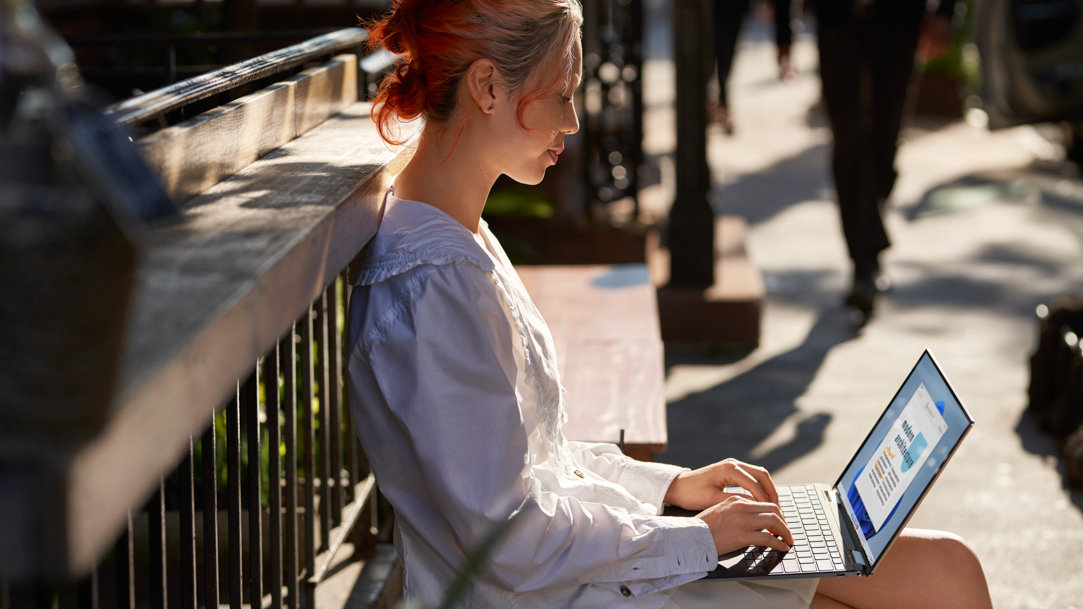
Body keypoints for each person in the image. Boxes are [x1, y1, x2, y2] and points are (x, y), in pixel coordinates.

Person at [346, 1, 994, 607]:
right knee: (935, 579)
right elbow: (511, 538)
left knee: (939, 567)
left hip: (577, 574)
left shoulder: (454, 240)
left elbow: (535, 464)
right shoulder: (431, 287)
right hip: (551, 591)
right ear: (487, 88)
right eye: (562, 95)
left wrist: (672, 488)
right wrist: (699, 538)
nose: (572, 123)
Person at [810, 0, 956, 317]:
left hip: (897, 23)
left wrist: (945, 12)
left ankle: (867, 248)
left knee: (884, 142)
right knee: (848, 140)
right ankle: (865, 264)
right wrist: (783, 29)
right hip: (837, 24)